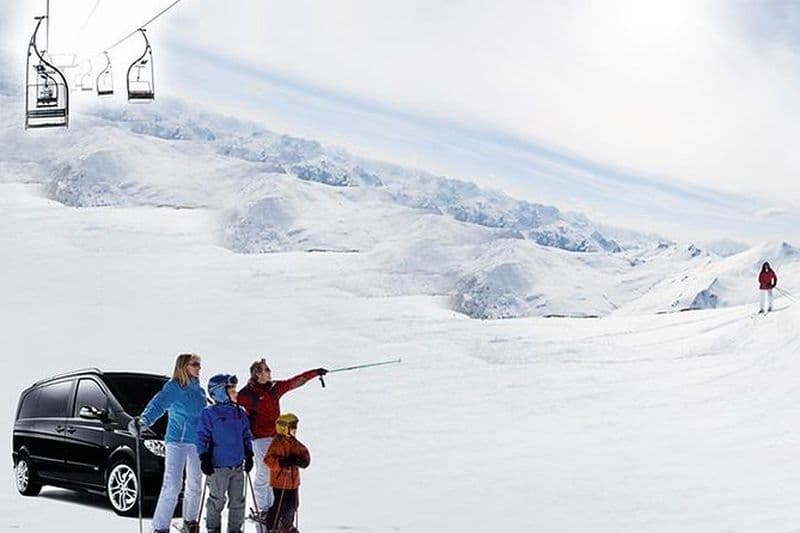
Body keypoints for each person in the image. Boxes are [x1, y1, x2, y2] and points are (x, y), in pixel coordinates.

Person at [237, 359, 326, 522]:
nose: (269, 372)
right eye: (266, 370)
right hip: (259, 438)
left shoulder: (274, 388)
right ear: (258, 374)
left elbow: (296, 381)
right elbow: (234, 403)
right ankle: (262, 509)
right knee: (264, 472)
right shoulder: (247, 393)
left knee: (275, 472)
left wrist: (315, 373)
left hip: (277, 436)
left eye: (269, 369)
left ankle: (273, 509)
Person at [129, 353, 207, 533]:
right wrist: (143, 421)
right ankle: (160, 527)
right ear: (183, 366)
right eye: (195, 364)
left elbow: (205, 418)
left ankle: (190, 522)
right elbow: (157, 406)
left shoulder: (200, 392)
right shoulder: (173, 388)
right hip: (176, 442)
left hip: (196, 443)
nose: (199, 368)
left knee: (195, 484)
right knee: (172, 484)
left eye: (199, 365)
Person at [197, 374, 254, 533]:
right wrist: (204, 457)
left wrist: (249, 454)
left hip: (237, 466)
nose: (236, 393)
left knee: (238, 501)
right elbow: (202, 437)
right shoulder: (209, 413)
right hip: (218, 467)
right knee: (217, 500)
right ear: (219, 392)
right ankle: (213, 529)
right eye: (232, 390)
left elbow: (246, 435)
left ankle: (235, 529)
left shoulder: (240, 412)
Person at [264, 413, 310, 533]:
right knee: (281, 504)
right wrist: (282, 462)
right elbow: (268, 460)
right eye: (292, 427)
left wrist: (303, 460)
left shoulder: (294, 442)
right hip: (280, 481)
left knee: (293, 504)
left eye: (295, 427)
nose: (295, 430)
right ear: (284, 428)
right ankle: (272, 524)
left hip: (293, 482)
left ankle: (287, 525)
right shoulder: (277, 443)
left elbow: (304, 452)